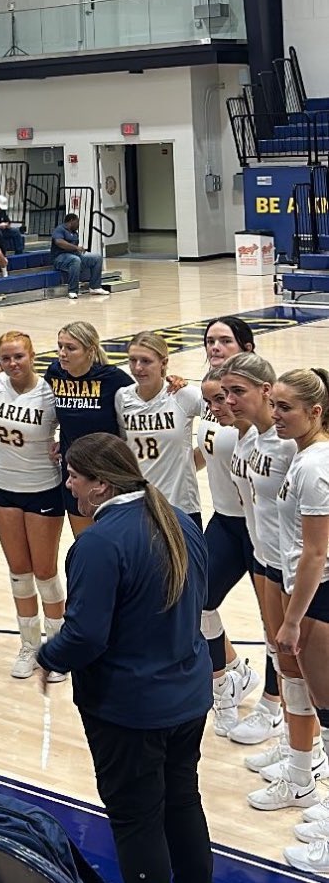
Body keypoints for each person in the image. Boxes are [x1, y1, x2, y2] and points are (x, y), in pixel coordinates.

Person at [37, 432, 213, 883]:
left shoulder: (98, 544)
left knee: (137, 820)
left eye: (74, 476)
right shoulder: (179, 521)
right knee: (183, 802)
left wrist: (47, 655)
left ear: (101, 485)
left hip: (130, 709)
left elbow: (85, 637)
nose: (69, 485)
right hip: (189, 696)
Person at [221, 354, 322, 811]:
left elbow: (313, 538)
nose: (228, 402)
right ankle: (298, 751)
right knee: (287, 668)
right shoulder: (254, 440)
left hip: (296, 573)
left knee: (300, 671)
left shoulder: (297, 452)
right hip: (269, 562)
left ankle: (307, 759)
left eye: (237, 392)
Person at [271, 370, 329, 874]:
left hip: (319, 599)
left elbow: (314, 554)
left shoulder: (315, 467)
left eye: (286, 407)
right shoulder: (307, 458)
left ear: (316, 411)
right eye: (275, 406)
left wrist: (291, 621)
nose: (276, 416)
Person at [0, 331, 66, 680]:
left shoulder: (50, 393)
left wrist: (64, 445)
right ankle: (29, 645)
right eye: (6, 357)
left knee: (45, 573)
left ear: (33, 355)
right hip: (3, 486)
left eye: (19, 356)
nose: (12, 363)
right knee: (19, 574)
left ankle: (58, 648)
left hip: (42, 489)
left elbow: (78, 426)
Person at [198, 367, 266, 738]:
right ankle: (224, 687)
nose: (217, 406)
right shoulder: (214, 411)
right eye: (210, 400)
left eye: (222, 398)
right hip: (225, 521)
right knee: (199, 601)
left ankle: (273, 706)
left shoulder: (265, 431)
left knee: (273, 625)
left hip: (260, 532)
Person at [45, 321, 134, 537]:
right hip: (73, 474)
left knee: (114, 542)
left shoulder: (113, 379)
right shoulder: (55, 374)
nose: (62, 353)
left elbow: (143, 401)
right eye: (60, 346)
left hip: (107, 475)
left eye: (71, 348)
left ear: (90, 350)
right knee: (86, 542)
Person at [116, 332, 206, 525]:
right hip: (138, 504)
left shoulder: (184, 395)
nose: (138, 368)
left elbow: (222, 416)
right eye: (133, 360)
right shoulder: (122, 397)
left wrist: (193, 461)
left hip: (181, 506)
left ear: (163, 363)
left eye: (146, 361)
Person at [51, 213, 106, 299]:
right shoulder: (60, 229)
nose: (78, 224)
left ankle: (95, 287)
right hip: (60, 258)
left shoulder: (74, 233)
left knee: (97, 257)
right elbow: (59, 242)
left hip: (74, 255)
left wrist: (78, 250)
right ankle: (72, 290)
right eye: (77, 222)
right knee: (75, 260)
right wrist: (76, 247)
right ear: (71, 221)